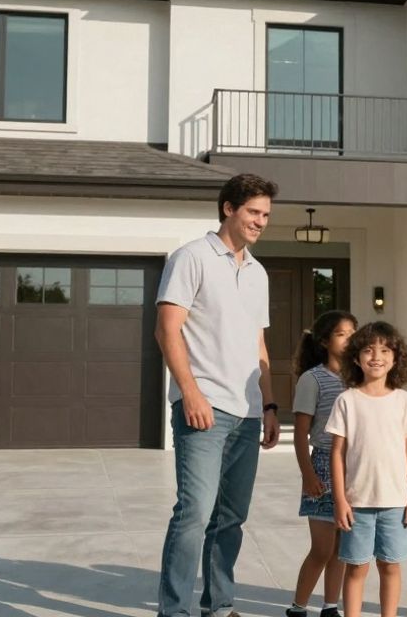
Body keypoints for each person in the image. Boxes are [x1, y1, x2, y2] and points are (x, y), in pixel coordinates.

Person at [155, 173, 282, 617]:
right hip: (204, 406)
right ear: (228, 208)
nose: (260, 221)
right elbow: (167, 328)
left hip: (247, 413)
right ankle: (174, 610)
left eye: (266, 214)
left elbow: (259, 345)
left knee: (230, 518)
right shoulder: (192, 257)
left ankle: (219, 605)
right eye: (253, 212)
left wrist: (268, 405)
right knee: (194, 513)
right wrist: (189, 393)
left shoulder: (258, 272)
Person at [325, 322, 407, 617]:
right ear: (356, 358)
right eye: (368, 350)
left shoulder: (404, 401)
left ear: (396, 358)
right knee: (356, 567)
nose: (377, 356)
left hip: (395, 502)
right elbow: (337, 454)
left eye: (385, 350)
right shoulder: (347, 401)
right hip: (358, 504)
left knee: (390, 566)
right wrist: (340, 500)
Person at [286, 309, 358, 617]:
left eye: (353, 333)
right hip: (324, 467)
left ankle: (330, 608)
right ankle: (298, 608)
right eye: (342, 334)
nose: (349, 339)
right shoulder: (312, 379)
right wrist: (308, 474)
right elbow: (301, 433)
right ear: (326, 341)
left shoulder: (360, 378)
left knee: (343, 547)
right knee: (322, 548)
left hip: (354, 468)